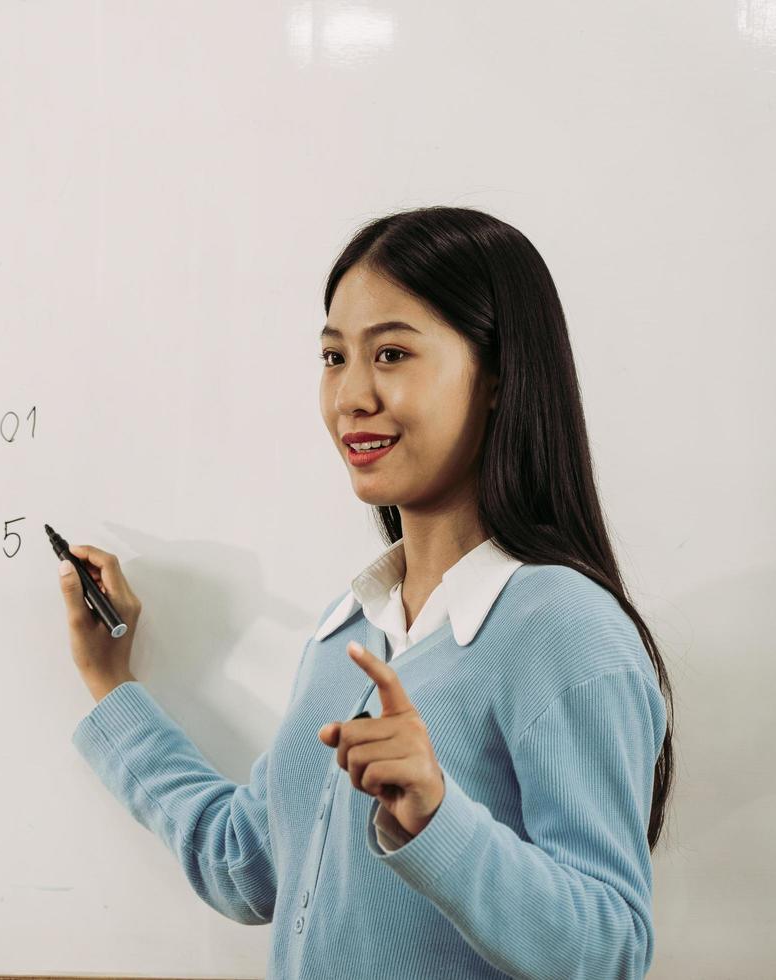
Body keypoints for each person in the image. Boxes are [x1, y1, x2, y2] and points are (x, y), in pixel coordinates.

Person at [58, 206, 675, 979]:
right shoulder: (349, 627)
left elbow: (610, 949)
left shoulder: (566, 628)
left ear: (498, 377)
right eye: (332, 357)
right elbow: (244, 865)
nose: (350, 396)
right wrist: (109, 682)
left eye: (390, 353)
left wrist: (436, 817)